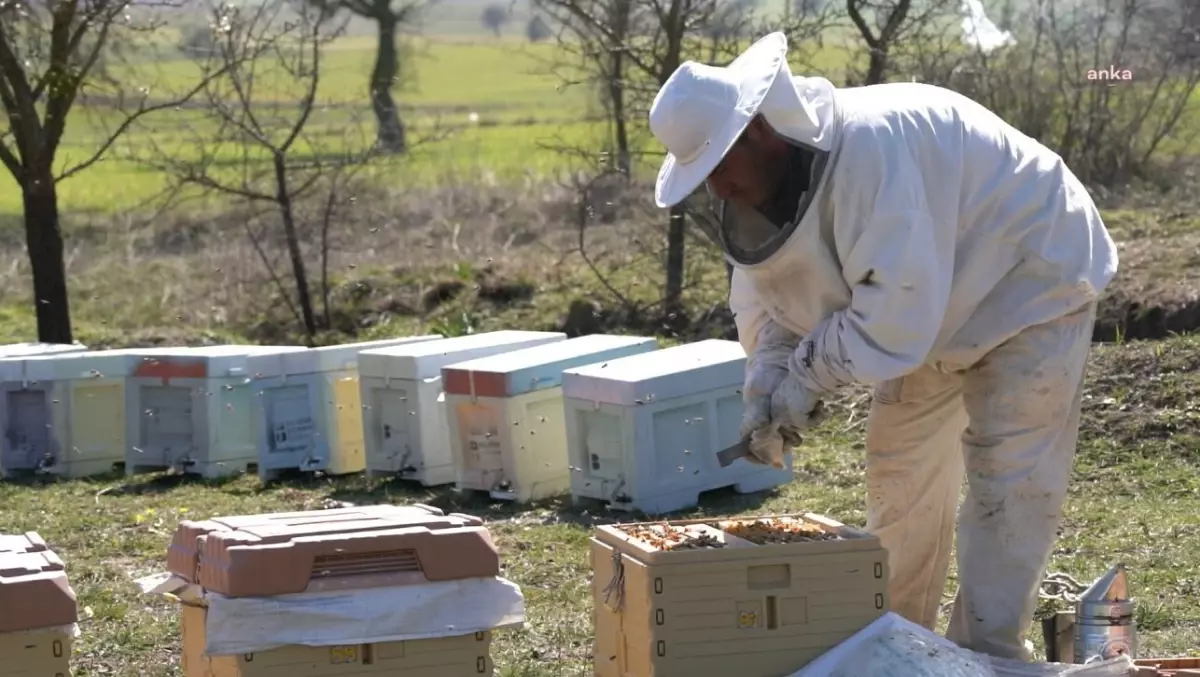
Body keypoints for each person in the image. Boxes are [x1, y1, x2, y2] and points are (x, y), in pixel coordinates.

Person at [647, 32, 1118, 661]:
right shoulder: (769, 183)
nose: (718, 190)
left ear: (757, 131)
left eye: (718, 168)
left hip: (1030, 275)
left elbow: (892, 323)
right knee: (901, 473)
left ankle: (988, 659)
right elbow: (769, 292)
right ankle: (899, 651)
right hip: (935, 305)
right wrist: (766, 377)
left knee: (1008, 485)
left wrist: (807, 379)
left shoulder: (868, 154)